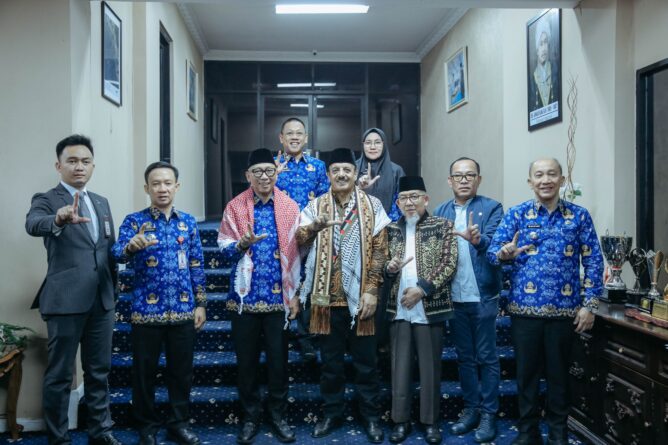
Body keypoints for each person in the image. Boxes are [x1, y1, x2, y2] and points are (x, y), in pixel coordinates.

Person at [487, 158, 603, 445]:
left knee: (559, 376)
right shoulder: (517, 214)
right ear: (530, 182)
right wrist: (504, 253)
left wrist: (590, 305)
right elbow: (492, 253)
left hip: (565, 313)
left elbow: (593, 261)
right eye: (539, 175)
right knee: (526, 376)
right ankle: (527, 432)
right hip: (524, 312)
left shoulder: (579, 216)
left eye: (552, 174)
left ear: (562, 180)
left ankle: (558, 433)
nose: (545, 180)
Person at [25, 134, 120, 445]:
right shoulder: (47, 199)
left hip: (102, 300)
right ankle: (59, 438)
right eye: (72, 161)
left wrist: (114, 291)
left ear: (93, 165)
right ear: (59, 165)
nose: (80, 166)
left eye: (85, 161)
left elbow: (108, 250)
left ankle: (100, 432)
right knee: (60, 375)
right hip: (65, 300)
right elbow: (33, 223)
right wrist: (59, 218)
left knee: (99, 371)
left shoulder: (101, 202)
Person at [297, 148, 390, 444]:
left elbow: (381, 250)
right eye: (335, 170)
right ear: (328, 175)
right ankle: (332, 413)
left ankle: (371, 417)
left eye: (346, 170)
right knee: (330, 365)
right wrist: (314, 227)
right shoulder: (315, 206)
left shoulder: (373, 205)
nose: (341, 174)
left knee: (367, 364)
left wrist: (372, 290)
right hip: (325, 300)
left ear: (355, 173)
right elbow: (298, 239)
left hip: (362, 299)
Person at [112, 162, 206, 445]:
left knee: (182, 373)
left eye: (167, 183)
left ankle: (179, 424)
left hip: (183, 309)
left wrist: (201, 304)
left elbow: (196, 264)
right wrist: (131, 246)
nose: (162, 188)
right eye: (156, 184)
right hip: (146, 311)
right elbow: (116, 253)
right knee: (144, 373)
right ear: (147, 188)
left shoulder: (188, 222)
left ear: (177, 186)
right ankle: (147, 426)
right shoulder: (134, 221)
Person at [218, 148, 301, 445]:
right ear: (248, 175)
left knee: (279, 364)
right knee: (247, 364)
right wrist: (241, 244)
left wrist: (295, 295)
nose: (264, 176)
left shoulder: (290, 206)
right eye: (258, 171)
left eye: (269, 171)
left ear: (276, 173)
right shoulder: (235, 207)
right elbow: (223, 250)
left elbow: (299, 255)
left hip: (279, 300)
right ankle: (250, 417)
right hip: (245, 301)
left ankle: (278, 416)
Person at [433, 157, 503, 443]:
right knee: (464, 357)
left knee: (486, 357)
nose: (464, 180)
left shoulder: (492, 208)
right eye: (458, 176)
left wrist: (479, 241)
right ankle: (471, 409)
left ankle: (489, 414)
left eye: (470, 175)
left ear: (478, 179)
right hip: (454, 296)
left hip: (483, 294)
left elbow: (496, 244)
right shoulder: (440, 211)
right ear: (449, 180)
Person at [385, 176, 458, 445]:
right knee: (399, 367)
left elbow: (449, 262)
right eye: (404, 198)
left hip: (429, 306)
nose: (409, 202)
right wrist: (389, 268)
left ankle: (430, 422)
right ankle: (400, 421)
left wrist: (422, 289)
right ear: (398, 203)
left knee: (430, 368)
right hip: (399, 307)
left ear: (426, 199)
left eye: (415, 196)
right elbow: (382, 264)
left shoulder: (442, 226)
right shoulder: (390, 229)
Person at [274, 117, 329, 362]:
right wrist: (273, 175)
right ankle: (281, 333)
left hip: (310, 235)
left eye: (299, 133)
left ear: (305, 138)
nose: (294, 137)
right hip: (279, 235)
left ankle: (306, 337)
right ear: (281, 138)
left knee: (307, 283)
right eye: (290, 133)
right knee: (282, 281)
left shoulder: (317, 166)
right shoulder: (272, 165)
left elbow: (325, 199)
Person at [356, 128, 404, 222]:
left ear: (384, 144)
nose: (372, 147)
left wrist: (387, 222)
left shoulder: (396, 171)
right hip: (358, 224)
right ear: (363, 145)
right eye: (368, 143)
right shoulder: (353, 169)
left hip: (389, 224)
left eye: (377, 142)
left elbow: (403, 201)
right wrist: (359, 188)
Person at [529, 19, 560, 113]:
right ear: (537, 50)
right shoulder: (533, 79)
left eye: (545, 42)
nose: (543, 48)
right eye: (540, 44)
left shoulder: (555, 70)